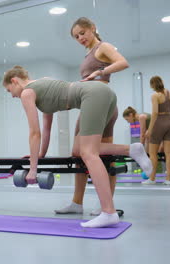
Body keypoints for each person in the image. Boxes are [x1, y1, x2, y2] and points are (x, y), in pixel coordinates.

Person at [3, 65, 152, 228]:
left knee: (89, 153)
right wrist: (40, 155)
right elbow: (46, 128)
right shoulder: (41, 85)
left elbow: (34, 133)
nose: (12, 96)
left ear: (14, 81)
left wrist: (33, 169)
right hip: (103, 94)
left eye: (9, 90)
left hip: (93, 95)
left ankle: (109, 212)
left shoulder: (27, 92)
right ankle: (131, 149)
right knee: (78, 150)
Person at [52, 17, 130, 217]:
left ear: (93, 28)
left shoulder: (102, 47)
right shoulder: (89, 53)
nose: (80, 38)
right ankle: (77, 203)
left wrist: (98, 72)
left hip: (100, 104)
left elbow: (123, 62)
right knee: (81, 154)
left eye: (82, 33)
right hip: (94, 106)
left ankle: (106, 204)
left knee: (95, 155)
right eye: (76, 36)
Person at [123, 106, 170, 181]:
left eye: (127, 119)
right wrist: (146, 153)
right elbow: (148, 137)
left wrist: (140, 148)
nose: (128, 122)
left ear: (130, 115)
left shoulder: (141, 117)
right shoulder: (144, 117)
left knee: (162, 149)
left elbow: (143, 134)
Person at [143, 76, 170, 185]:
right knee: (169, 153)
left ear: (152, 85)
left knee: (152, 153)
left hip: (159, 124)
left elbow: (155, 113)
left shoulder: (155, 95)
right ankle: (168, 180)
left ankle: (152, 179)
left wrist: (149, 129)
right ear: (162, 82)